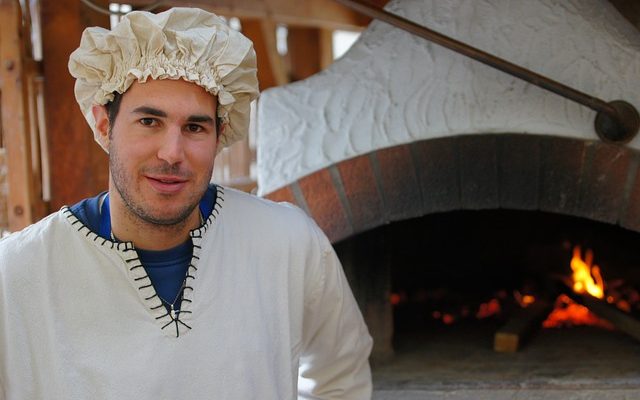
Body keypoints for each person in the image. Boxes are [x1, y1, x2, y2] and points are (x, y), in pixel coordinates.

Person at [0, 7, 373, 399]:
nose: (172, 153)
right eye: (149, 121)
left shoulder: (288, 244)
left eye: (194, 127)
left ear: (220, 134)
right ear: (104, 124)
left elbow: (341, 375)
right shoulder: (17, 277)